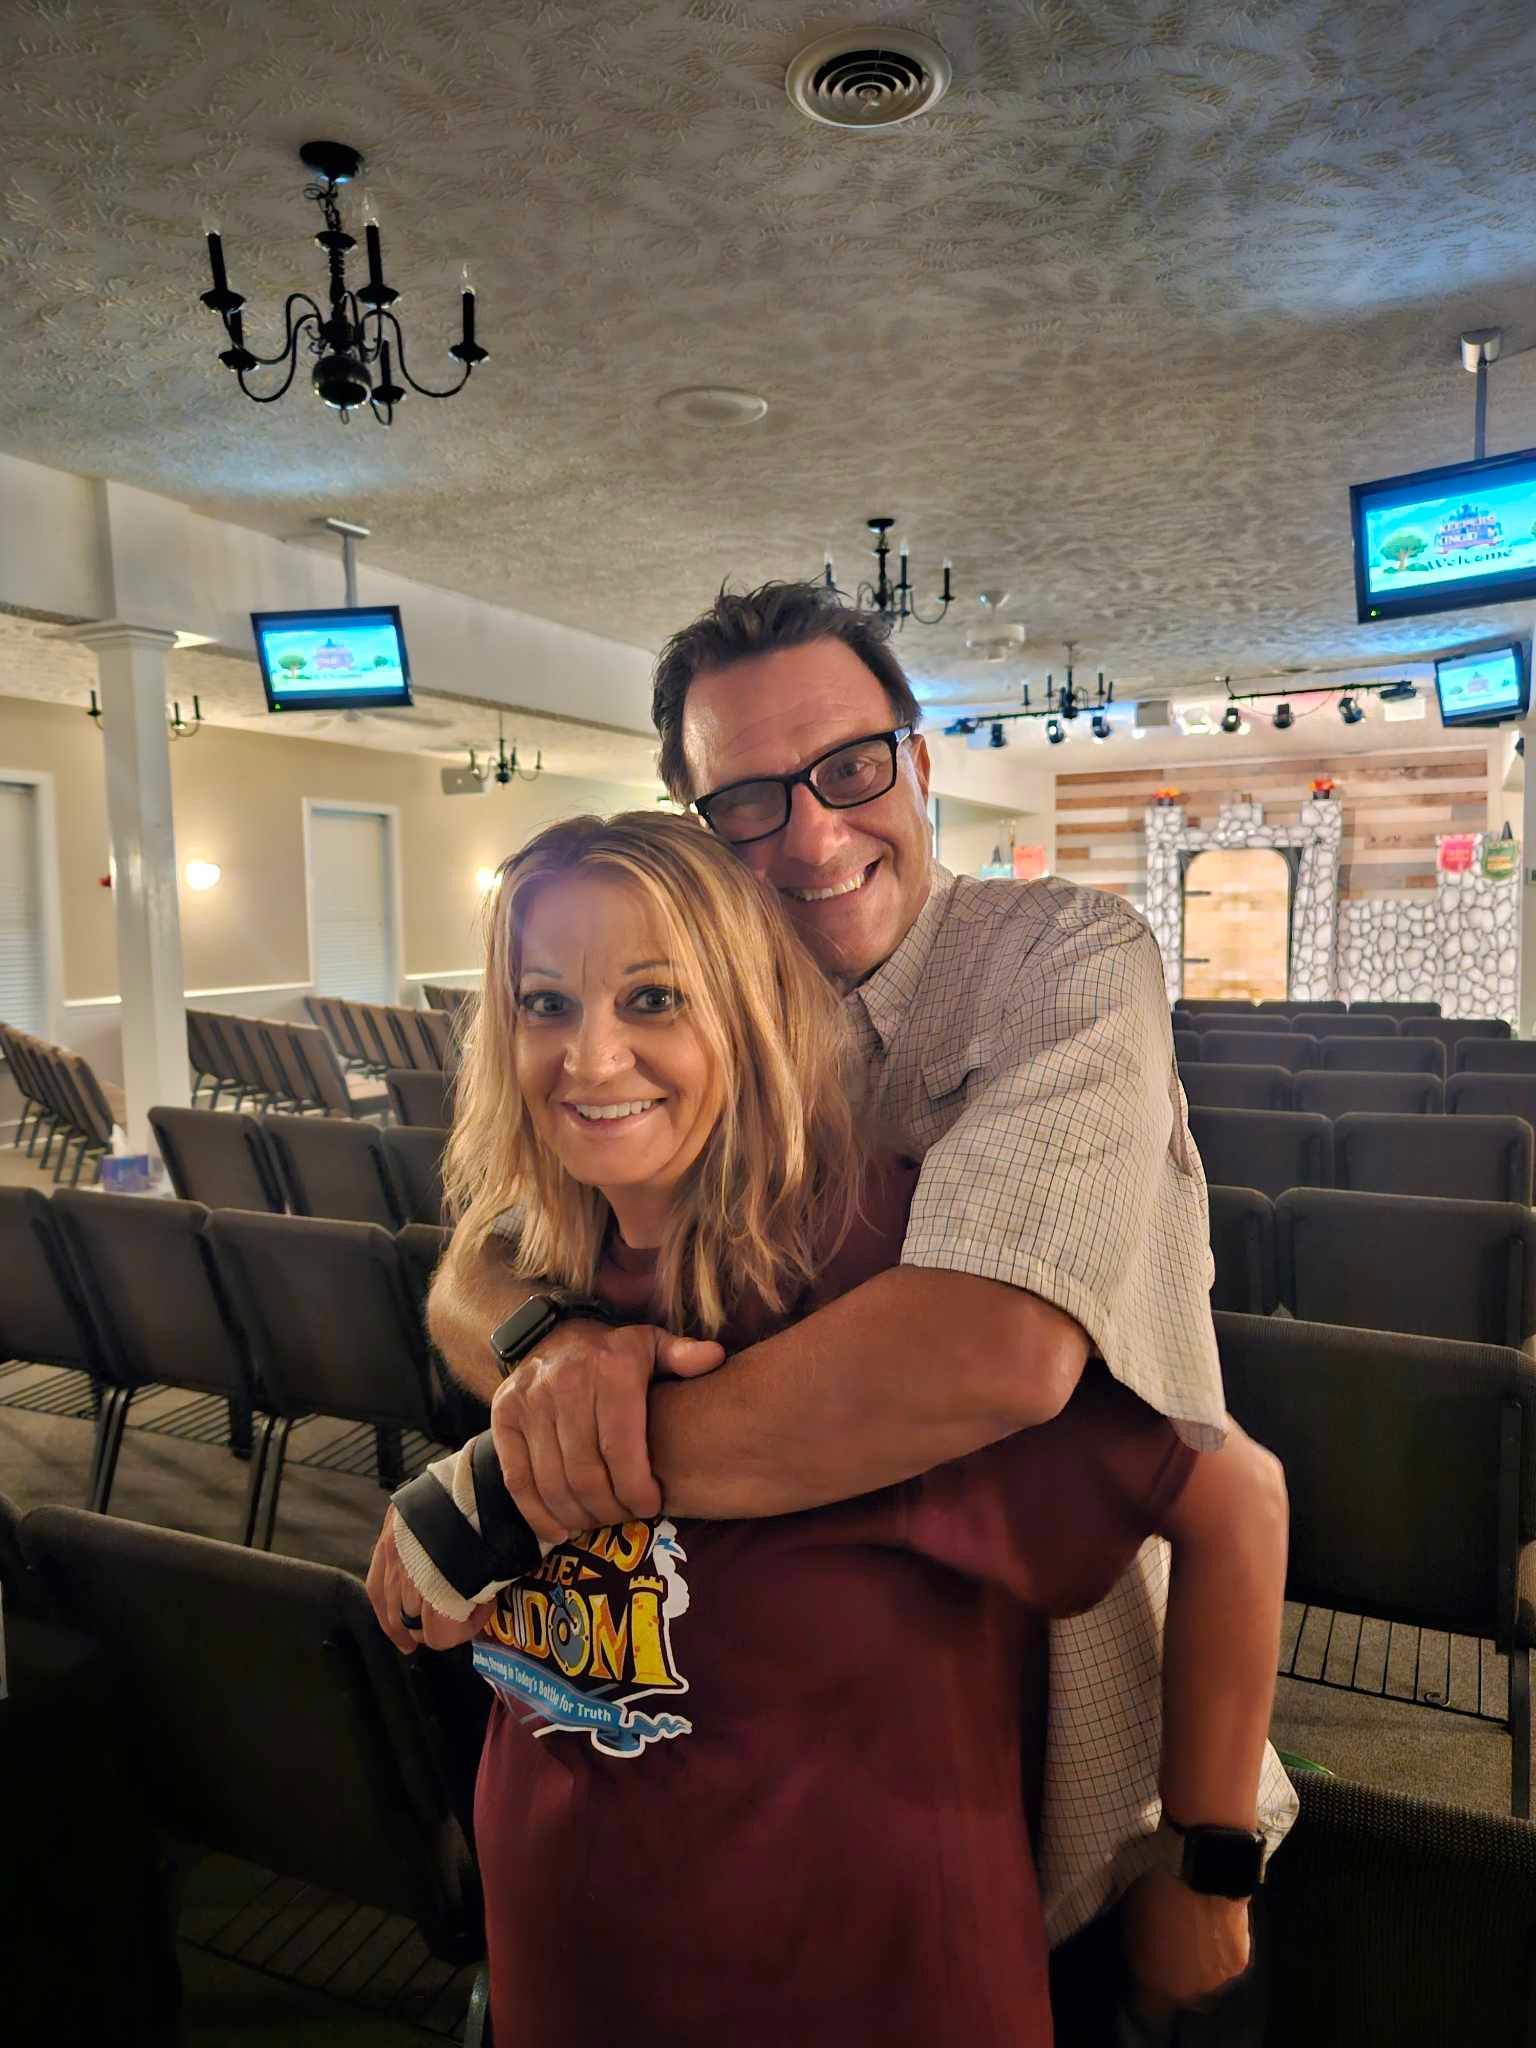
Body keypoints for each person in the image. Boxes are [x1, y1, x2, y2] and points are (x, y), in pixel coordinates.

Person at [368, 582, 1296, 2031]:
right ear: (692, 822)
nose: (809, 834)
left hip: (1082, 1695)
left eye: (850, 769)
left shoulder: (1061, 958)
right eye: (744, 801)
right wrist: (557, 1347)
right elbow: (481, 1259)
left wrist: (515, 1479)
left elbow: (995, 1353)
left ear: (918, 763)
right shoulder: (689, 1035)